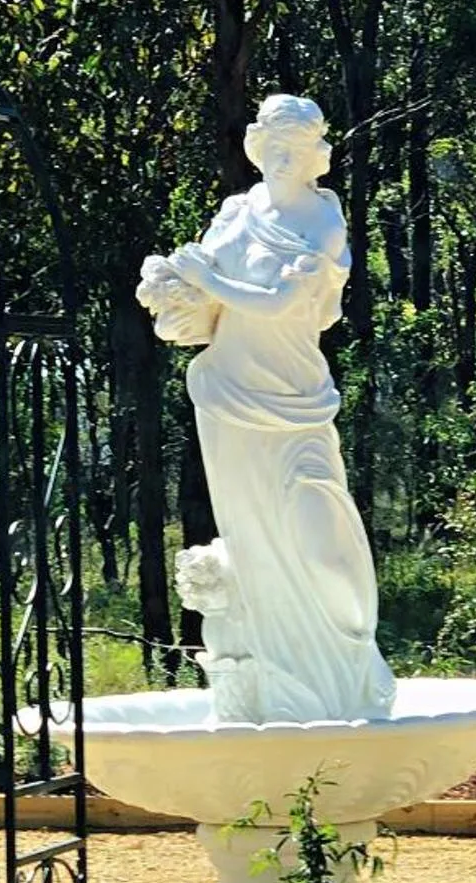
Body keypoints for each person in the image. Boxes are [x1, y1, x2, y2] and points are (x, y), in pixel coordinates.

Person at [136, 95, 395, 723]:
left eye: (296, 148)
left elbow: (281, 301)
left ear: (317, 156)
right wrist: (173, 286)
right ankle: (267, 685)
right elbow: (203, 303)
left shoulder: (321, 222)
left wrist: (210, 278)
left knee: (313, 527)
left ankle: (343, 667)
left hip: (295, 399)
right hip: (228, 392)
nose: (282, 158)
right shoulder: (236, 214)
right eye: (273, 146)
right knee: (250, 535)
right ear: (256, 147)